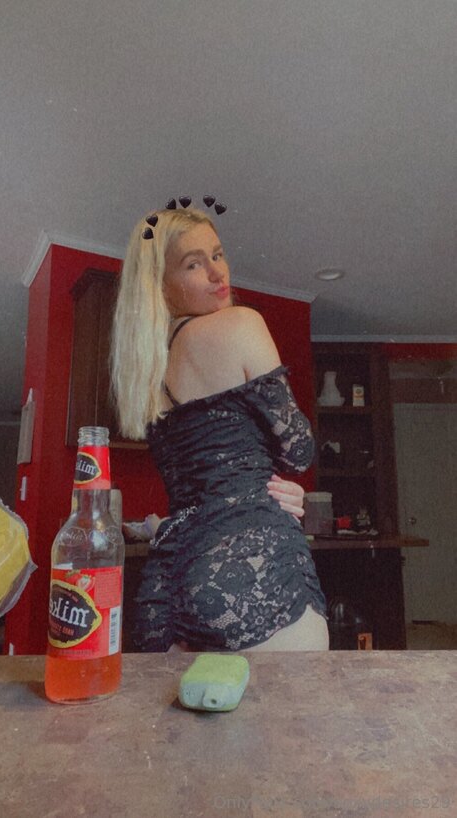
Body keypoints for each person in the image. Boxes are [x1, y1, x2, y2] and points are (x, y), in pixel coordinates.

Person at [111, 201, 328, 652]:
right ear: (160, 285)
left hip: (167, 584)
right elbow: (298, 450)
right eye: (194, 264)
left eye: (218, 254)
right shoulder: (240, 325)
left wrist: (261, 482)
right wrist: (270, 485)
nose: (217, 272)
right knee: (296, 702)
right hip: (252, 568)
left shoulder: (147, 373)